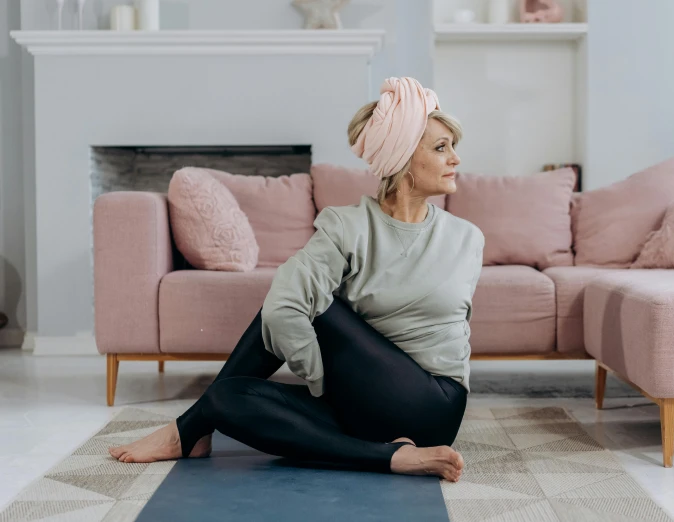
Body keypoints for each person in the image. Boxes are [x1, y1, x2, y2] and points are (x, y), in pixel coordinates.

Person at [108, 77, 485, 483]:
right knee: (225, 397)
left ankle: (189, 430)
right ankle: (389, 456)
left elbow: (291, 305)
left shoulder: (466, 238)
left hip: (431, 406)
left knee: (301, 301)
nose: (456, 159)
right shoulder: (349, 226)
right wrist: (329, 381)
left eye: (452, 146)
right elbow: (285, 306)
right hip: (363, 404)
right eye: (442, 147)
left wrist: (321, 380)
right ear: (404, 158)